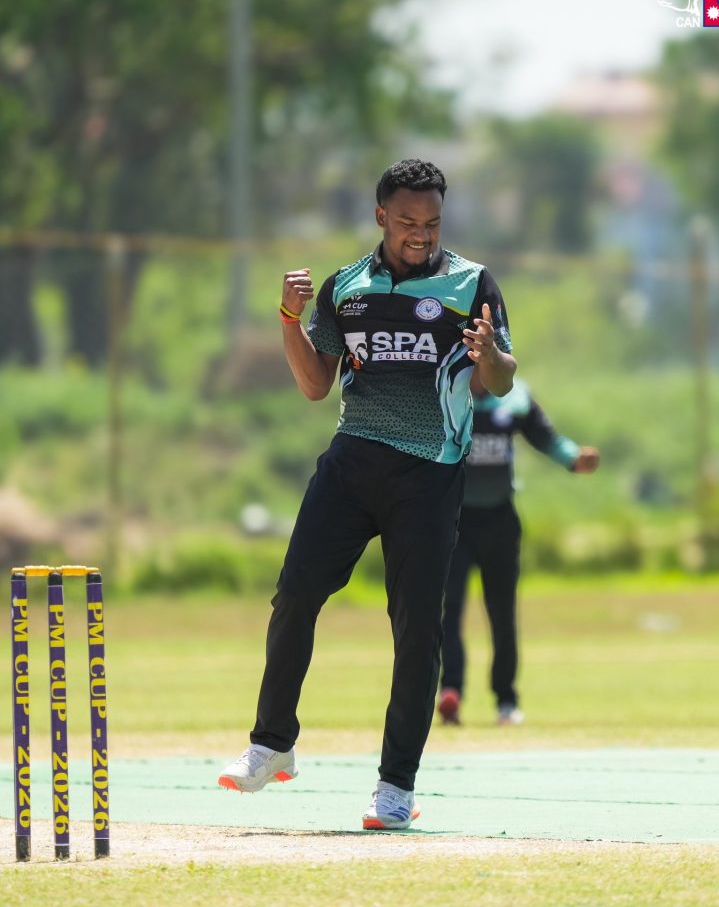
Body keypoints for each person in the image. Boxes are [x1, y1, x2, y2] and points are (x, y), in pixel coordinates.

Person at [218, 159, 516, 830]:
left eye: (432, 223)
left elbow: (498, 380)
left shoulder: (472, 283)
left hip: (430, 471)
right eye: (407, 221)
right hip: (352, 461)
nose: (421, 234)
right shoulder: (346, 287)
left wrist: (490, 356)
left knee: (417, 627)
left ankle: (395, 786)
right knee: (295, 594)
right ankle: (272, 744)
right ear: (381, 216)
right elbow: (315, 385)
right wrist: (290, 318)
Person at [437, 370, 599, 727]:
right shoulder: (446, 388)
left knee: (502, 612)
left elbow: (546, 437)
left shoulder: (514, 398)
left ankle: (506, 699)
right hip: (455, 520)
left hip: (499, 520)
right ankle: (450, 692)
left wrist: (574, 458)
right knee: (448, 610)